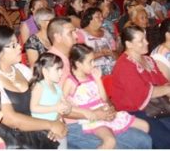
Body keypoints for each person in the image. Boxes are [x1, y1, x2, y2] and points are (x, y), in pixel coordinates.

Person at [46, 17, 152, 149]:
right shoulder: (51, 65)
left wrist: (109, 106)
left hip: (96, 114)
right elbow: (58, 108)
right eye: (71, 33)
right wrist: (96, 114)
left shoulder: (75, 58)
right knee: (132, 143)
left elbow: (96, 92)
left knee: (144, 139)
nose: (76, 36)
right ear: (58, 37)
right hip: (75, 123)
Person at [0, 25, 66, 149]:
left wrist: (57, 120)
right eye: (13, 45)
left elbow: (49, 97)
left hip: (35, 127)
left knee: (61, 137)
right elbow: (11, 119)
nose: (20, 47)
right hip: (9, 139)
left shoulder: (22, 70)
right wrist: (50, 124)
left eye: (18, 43)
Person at [63, 44, 148, 149]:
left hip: (106, 111)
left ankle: (117, 130)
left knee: (145, 126)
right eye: (90, 62)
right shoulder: (71, 81)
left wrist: (98, 80)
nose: (94, 64)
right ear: (78, 64)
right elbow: (61, 104)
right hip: (93, 119)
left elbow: (103, 98)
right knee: (110, 141)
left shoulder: (91, 77)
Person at [112, 25, 170, 148]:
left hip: (155, 105)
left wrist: (167, 89)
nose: (147, 42)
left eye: (145, 38)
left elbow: (162, 81)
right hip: (134, 110)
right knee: (166, 140)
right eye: (141, 40)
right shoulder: (124, 66)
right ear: (129, 44)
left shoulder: (148, 60)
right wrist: (167, 89)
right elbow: (142, 94)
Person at [29, 53, 71, 149]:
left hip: (57, 125)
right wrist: (55, 108)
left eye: (62, 69)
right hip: (42, 129)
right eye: (57, 69)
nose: (61, 73)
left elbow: (64, 104)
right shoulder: (39, 86)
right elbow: (33, 108)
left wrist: (68, 107)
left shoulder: (57, 87)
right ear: (45, 71)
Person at [76, 7, 117, 75]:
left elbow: (115, 51)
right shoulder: (81, 34)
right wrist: (101, 54)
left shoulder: (106, 32)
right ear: (89, 19)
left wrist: (111, 53)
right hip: (94, 72)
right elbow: (80, 58)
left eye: (101, 16)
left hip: (113, 69)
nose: (102, 19)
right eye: (98, 16)